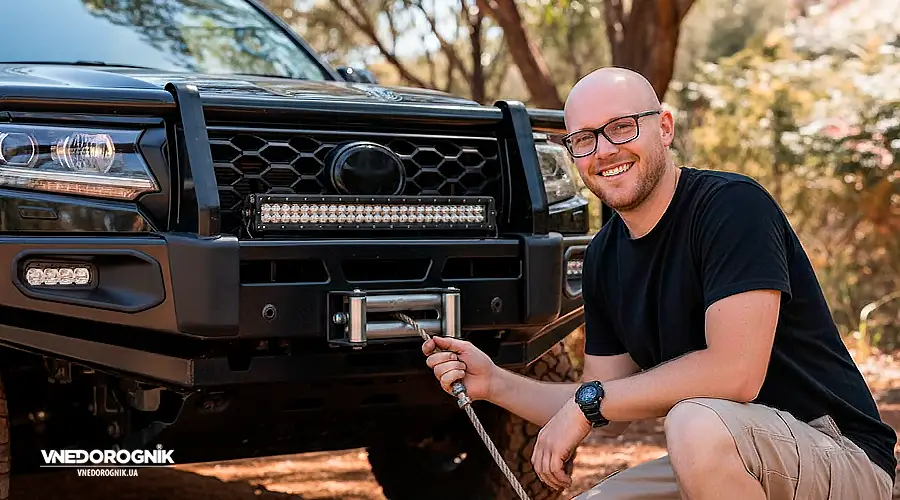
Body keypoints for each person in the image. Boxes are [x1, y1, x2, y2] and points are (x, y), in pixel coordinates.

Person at [422, 66, 897, 499]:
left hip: (838, 454)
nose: (604, 150)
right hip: (721, 455)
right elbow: (602, 400)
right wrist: (494, 384)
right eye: (583, 139)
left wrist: (591, 404)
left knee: (694, 421)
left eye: (621, 127)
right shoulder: (604, 255)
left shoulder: (732, 207)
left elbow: (736, 374)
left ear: (664, 127)